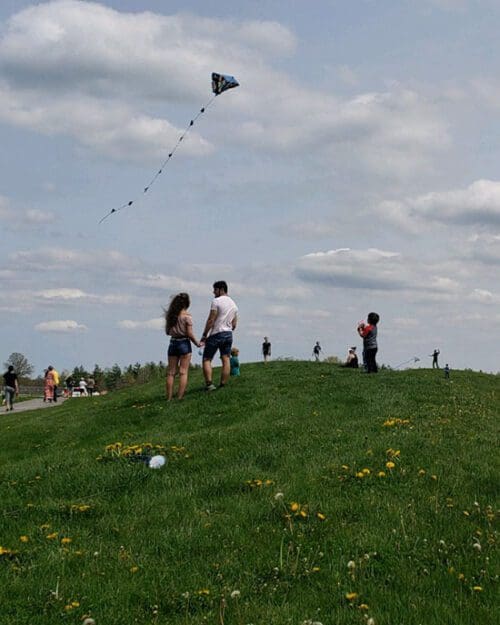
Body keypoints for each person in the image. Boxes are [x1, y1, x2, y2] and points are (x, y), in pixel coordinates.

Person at [200, 281, 238, 391]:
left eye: (215, 289)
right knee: (226, 358)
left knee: (207, 359)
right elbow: (234, 324)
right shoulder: (234, 304)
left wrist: (204, 334)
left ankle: (209, 385)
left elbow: (211, 319)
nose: (213, 292)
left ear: (221, 289)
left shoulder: (216, 301)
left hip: (216, 333)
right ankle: (223, 383)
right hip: (228, 334)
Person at [164, 292, 201, 401]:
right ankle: (179, 397)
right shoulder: (187, 317)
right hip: (184, 343)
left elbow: (167, 332)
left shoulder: (170, 316)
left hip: (173, 343)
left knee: (171, 373)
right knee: (183, 372)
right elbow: (189, 334)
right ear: (187, 303)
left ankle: (169, 398)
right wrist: (197, 343)